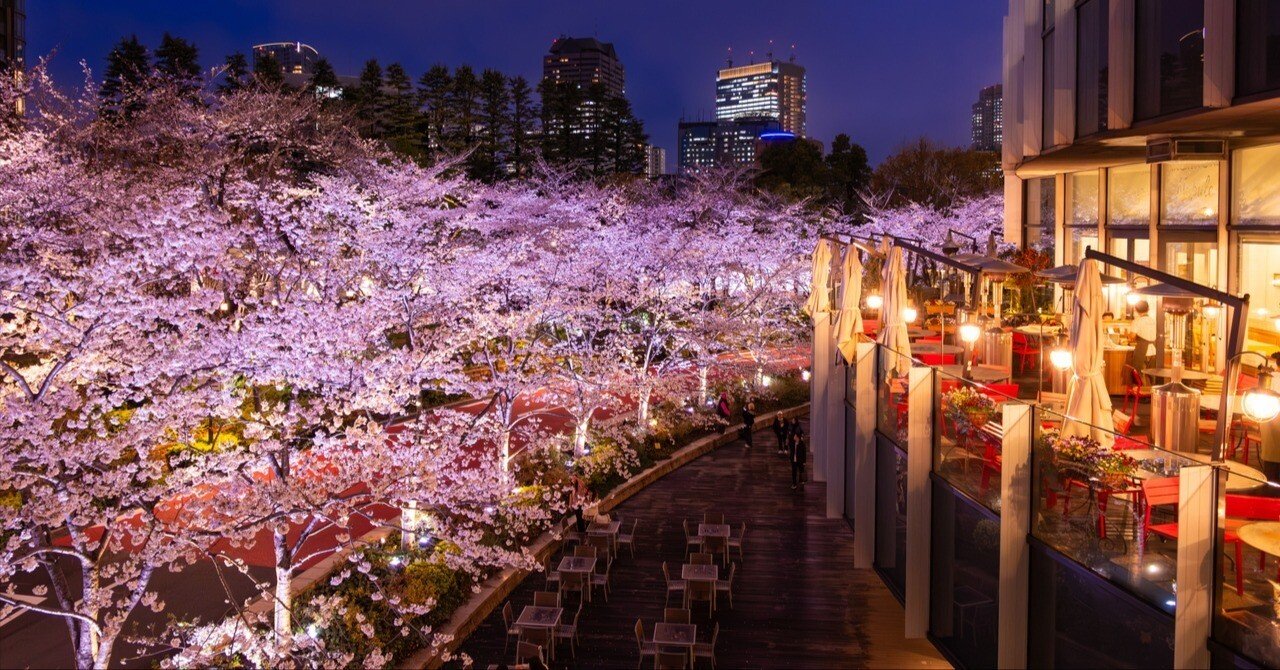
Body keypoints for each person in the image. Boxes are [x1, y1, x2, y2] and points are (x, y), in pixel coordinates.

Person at [1130, 300, 1156, 371]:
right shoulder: (1153, 321)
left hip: (1142, 348)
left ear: (1136, 310)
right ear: (1148, 309)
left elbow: (1132, 336)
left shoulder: (1137, 321)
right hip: (1154, 349)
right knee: (1152, 373)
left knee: (1137, 373)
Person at [789, 423, 808, 489]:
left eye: (795, 436)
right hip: (793, 460)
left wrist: (804, 461)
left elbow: (804, 453)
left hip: (800, 460)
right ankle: (794, 484)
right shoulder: (792, 443)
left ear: (798, 437)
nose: (794, 437)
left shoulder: (802, 444)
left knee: (801, 471)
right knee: (794, 473)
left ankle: (802, 482)